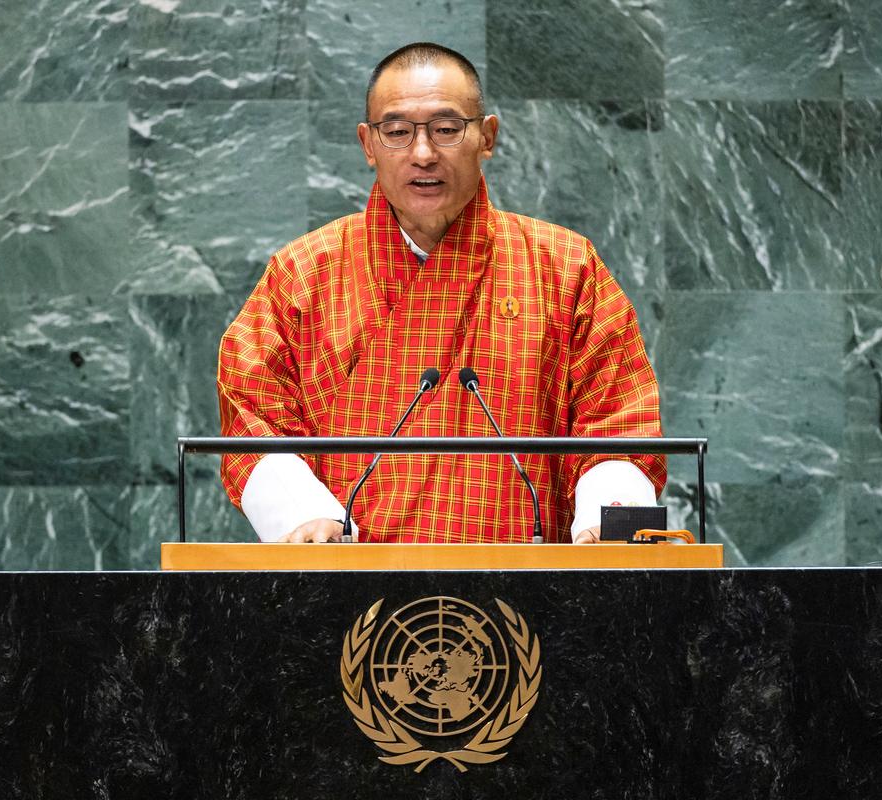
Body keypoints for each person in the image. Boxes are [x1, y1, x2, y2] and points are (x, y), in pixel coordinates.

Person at [217, 42, 664, 544]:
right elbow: (254, 417)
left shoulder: (566, 268)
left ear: (487, 136)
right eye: (397, 131)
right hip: (346, 595)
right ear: (368, 144)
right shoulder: (301, 274)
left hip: (529, 598)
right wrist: (300, 514)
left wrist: (608, 526)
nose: (423, 153)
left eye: (447, 129)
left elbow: (619, 424)